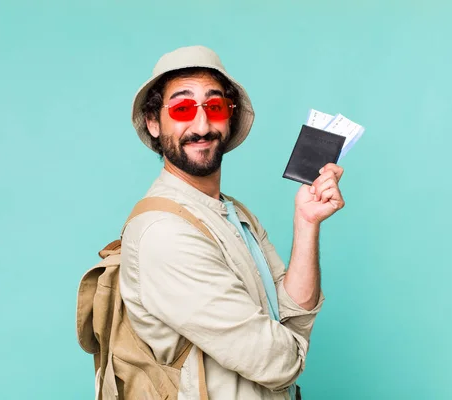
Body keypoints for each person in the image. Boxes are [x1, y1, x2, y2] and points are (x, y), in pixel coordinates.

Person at [119, 45, 345, 400]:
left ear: (229, 116)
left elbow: (291, 314)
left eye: (215, 106)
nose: (202, 125)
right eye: (181, 108)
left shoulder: (236, 214)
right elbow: (279, 363)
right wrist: (292, 347)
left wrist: (306, 222)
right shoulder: (163, 232)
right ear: (153, 122)